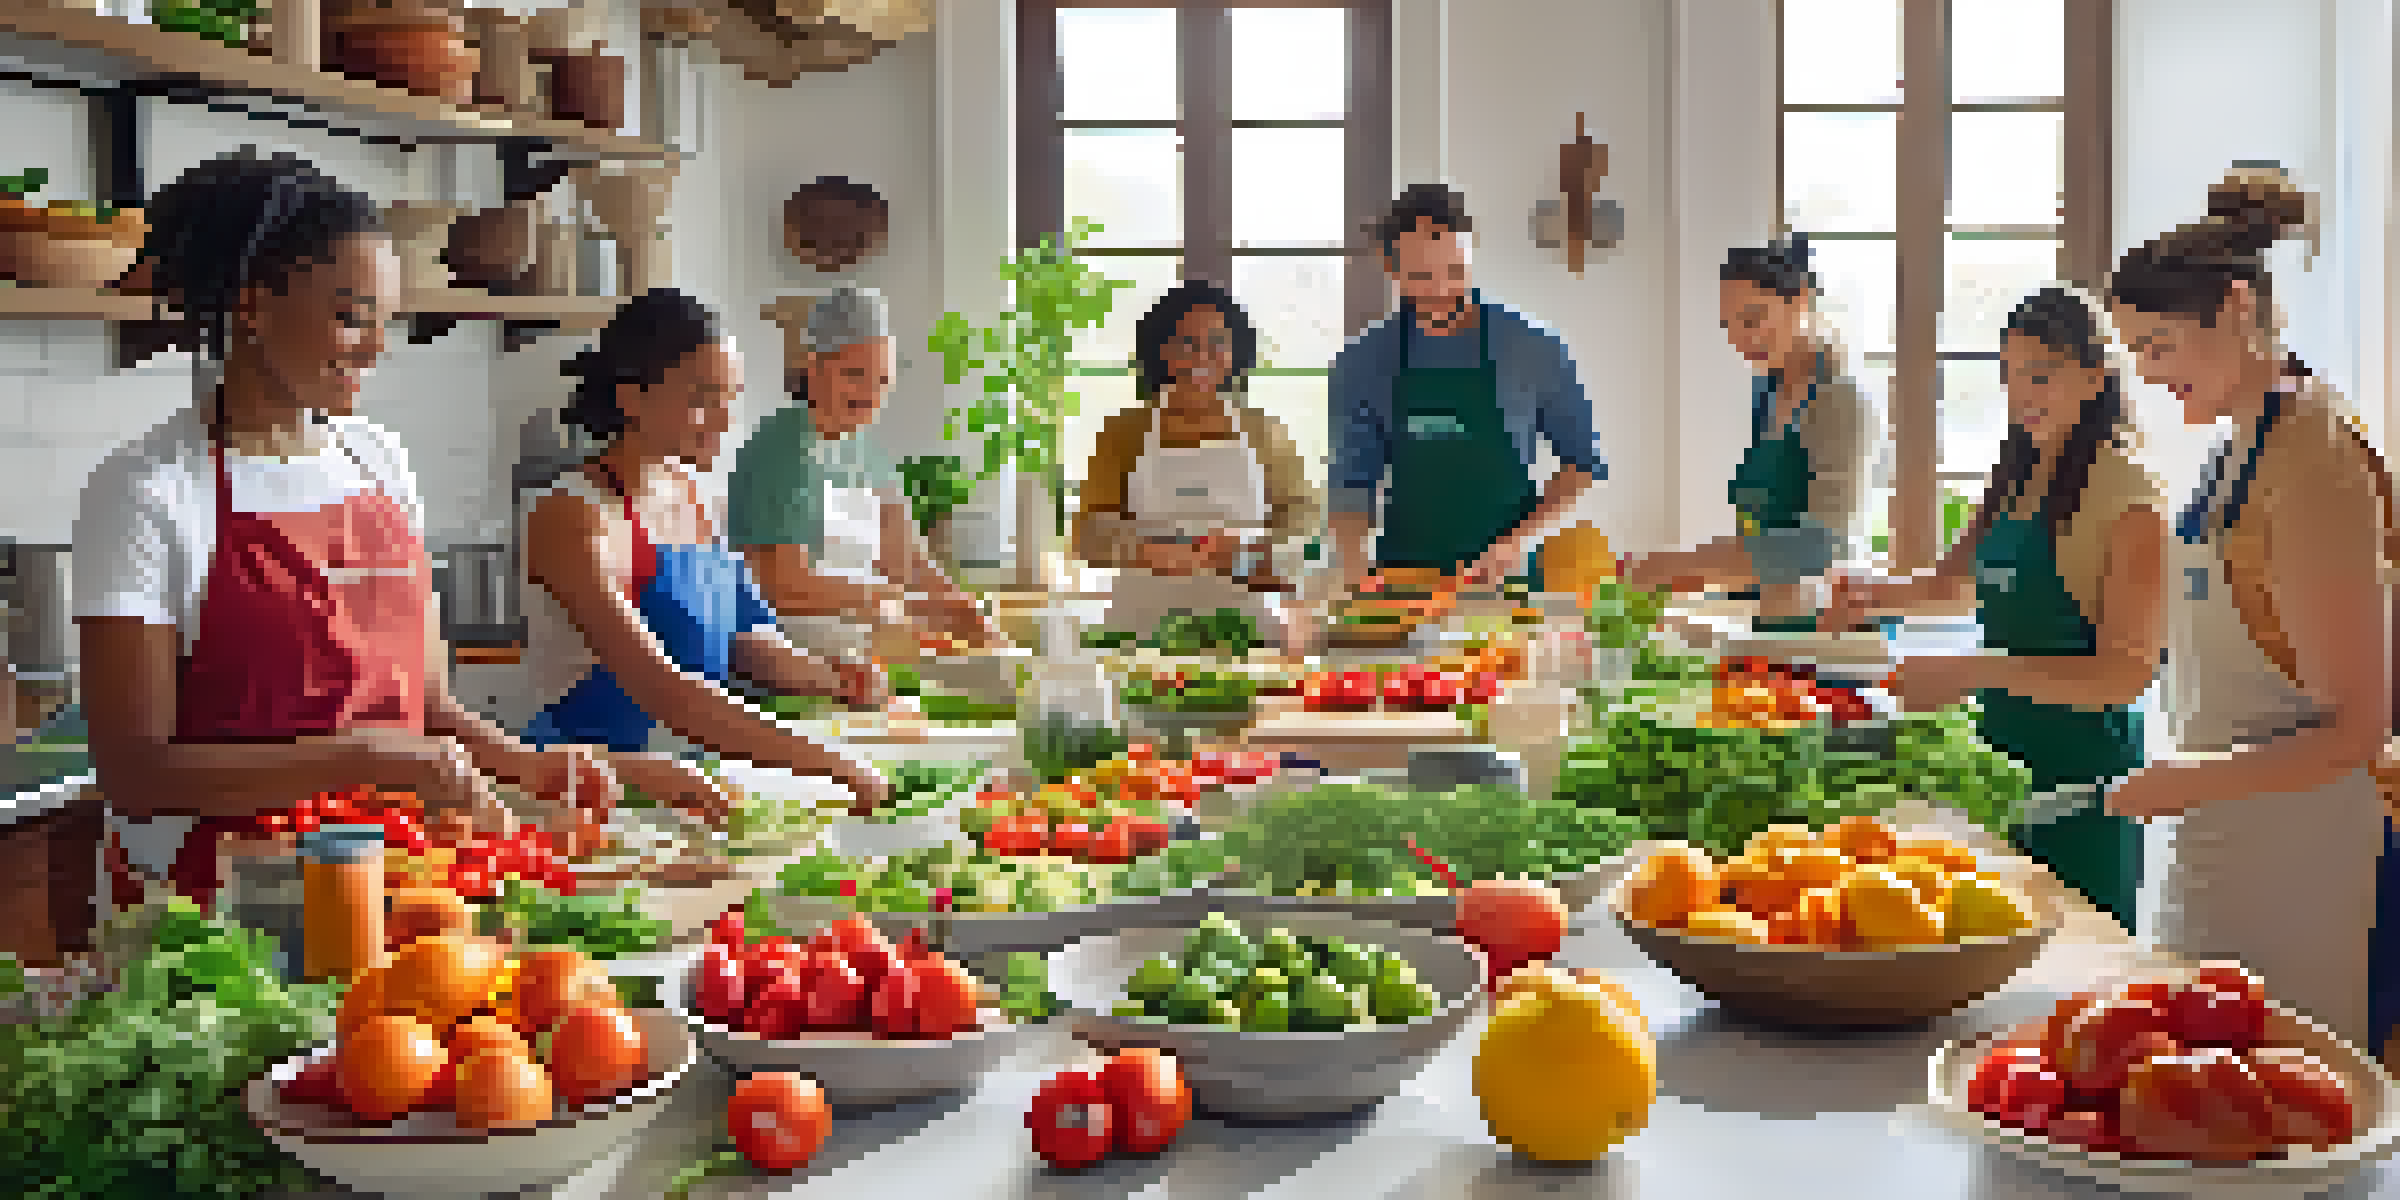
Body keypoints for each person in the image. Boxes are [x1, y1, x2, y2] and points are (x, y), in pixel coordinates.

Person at [72, 149, 617, 913]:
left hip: (395, 880)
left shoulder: (377, 460)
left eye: (385, 322)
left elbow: (427, 706)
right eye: (350, 316)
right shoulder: (149, 491)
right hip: (219, 907)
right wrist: (361, 759)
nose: (374, 347)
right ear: (253, 306)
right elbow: (133, 769)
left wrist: (530, 766)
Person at [2102, 166, 2392, 1047]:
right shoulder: (2239, 443)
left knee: (2278, 1107)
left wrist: (2186, 780)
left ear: (2234, 310)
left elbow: (2356, 729)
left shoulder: (2314, 462)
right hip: (2227, 829)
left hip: (2303, 861)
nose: (2150, 378)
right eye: (2137, 355)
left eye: (2159, 348)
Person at [1821, 287, 2167, 931]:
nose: (2022, 393)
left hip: (2082, 790)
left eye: (2043, 373)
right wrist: (1869, 594)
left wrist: (1972, 671)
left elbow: (2125, 675)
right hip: (2005, 773)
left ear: (2095, 377)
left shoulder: (2130, 496)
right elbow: (1954, 582)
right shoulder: (2018, 472)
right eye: (2009, 375)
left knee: (2073, 980)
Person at [521, 289, 888, 814]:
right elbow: (666, 691)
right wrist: (830, 762)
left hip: (696, 789)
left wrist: (832, 677)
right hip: (593, 797)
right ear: (632, 399)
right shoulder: (576, 517)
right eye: (702, 397)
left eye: (730, 398)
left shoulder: (693, 495)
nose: (722, 419)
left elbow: (744, 637)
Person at [1328, 184, 1605, 592]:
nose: (1442, 291)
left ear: (1470, 251)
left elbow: (1580, 465)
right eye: (1422, 277)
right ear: (1392, 269)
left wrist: (1518, 542)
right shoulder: (1363, 360)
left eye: (1455, 272)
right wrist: (1352, 569)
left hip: (1505, 580)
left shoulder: (1532, 347)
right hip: (1405, 582)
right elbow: (1353, 481)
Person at [729, 286, 999, 669]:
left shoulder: (869, 454)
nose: (870, 394)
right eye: (855, 374)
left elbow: (909, 564)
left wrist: (963, 612)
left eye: (882, 380)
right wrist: (886, 598)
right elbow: (778, 584)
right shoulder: (780, 450)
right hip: (792, 654)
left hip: (867, 644)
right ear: (812, 366)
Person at [1621, 236, 1875, 627]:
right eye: (1729, 325)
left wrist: (1682, 566)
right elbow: (1763, 529)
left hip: (1827, 625)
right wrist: (1688, 576)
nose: (1740, 339)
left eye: (1753, 319)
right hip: (1768, 620)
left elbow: (1821, 547)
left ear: (1799, 302)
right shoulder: (1768, 394)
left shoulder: (1836, 401)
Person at [1076, 280, 1322, 644]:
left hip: (1248, 636)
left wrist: (1244, 554)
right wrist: (1146, 552)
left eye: (1218, 343)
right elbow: (1088, 536)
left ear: (1237, 352)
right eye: (1186, 344)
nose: (1202, 358)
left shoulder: (1266, 433)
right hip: (1140, 636)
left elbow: (1307, 535)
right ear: (1161, 351)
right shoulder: (1122, 433)